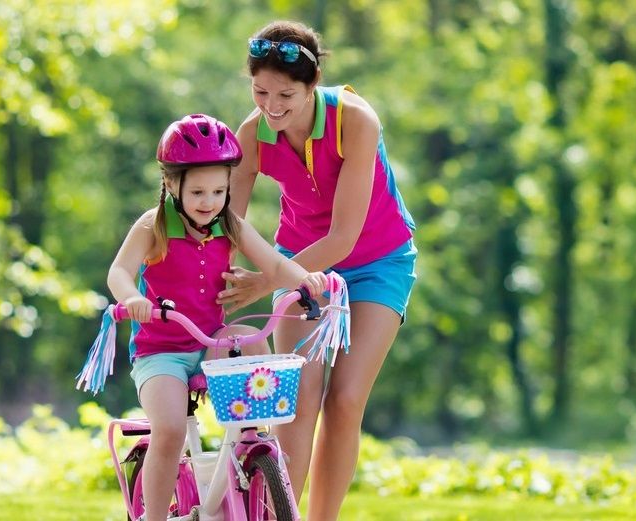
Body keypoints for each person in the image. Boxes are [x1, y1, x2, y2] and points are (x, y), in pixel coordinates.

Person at [216, 21, 417, 521]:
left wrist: (268, 279)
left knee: (345, 400)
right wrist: (209, 288)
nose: (272, 105)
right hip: (298, 262)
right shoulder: (252, 134)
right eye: (261, 91)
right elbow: (228, 225)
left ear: (314, 83)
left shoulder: (356, 120)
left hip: (376, 262)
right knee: (296, 401)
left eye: (286, 93)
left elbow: (344, 237)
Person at [107, 113, 327, 521]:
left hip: (211, 339)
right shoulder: (152, 225)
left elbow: (275, 265)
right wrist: (133, 298)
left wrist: (307, 279)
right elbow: (118, 271)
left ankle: (249, 448)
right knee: (170, 430)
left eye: (219, 191)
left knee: (251, 340)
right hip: (161, 352)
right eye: (198, 192)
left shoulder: (231, 225)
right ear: (172, 185)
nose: (209, 202)